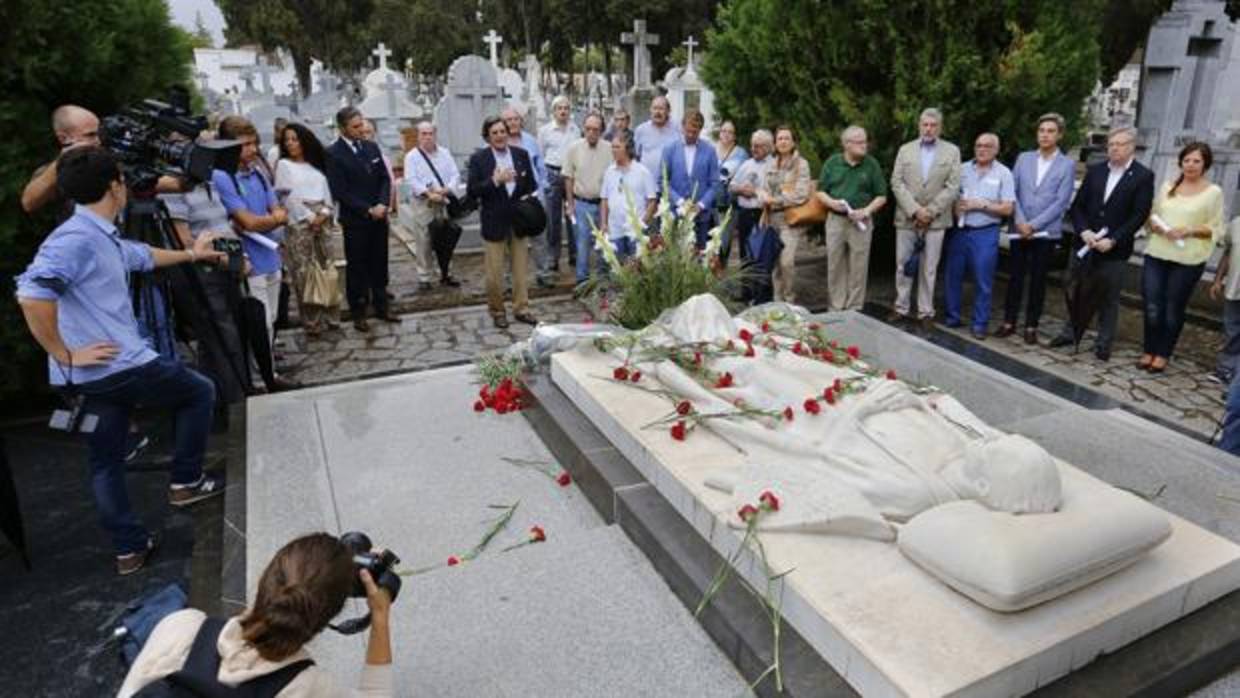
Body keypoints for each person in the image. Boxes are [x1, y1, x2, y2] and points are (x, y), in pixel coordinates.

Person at [15, 146, 226, 575]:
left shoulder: (95, 233)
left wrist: (192, 254)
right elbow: (32, 294)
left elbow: (142, 256)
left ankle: (130, 550)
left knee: (105, 458)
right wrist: (65, 352)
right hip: (117, 366)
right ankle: (185, 482)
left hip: (93, 376)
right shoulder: (74, 240)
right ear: (115, 186)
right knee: (199, 392)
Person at [118, 532, 393, 696]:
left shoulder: (180, 626)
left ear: (265, 578)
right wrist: (379, 617)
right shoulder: (306, 687)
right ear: (329, 615)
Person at [1049, 126, 1155, 361]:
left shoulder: (1142, 176)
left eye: (1120, 144)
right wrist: (1084, 230)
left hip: (1113, 250)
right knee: (1076, 289)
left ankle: (1103, 342)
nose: (1114, 148)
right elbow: (1078, 207)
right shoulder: (1096, 171)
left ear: (1131, 147)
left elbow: (1138, 215)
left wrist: (1114, 240)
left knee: (1108, 297)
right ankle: (1071, 331)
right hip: (1085, 244)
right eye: (1111, 144)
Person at [1139, 142, 1225, 372]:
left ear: (1205, 164)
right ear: (1181, 162)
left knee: (1172, 308)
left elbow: (1216, 228)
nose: (1191, 165)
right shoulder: (1168, 187)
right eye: (1187, 160)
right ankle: (1149, 349)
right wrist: (1154, 226)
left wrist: (1190, 230)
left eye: (1196, 161)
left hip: (1188, 258)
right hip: (1157, 252)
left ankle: (1163, 353)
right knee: (1152, 304)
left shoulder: (1213, 192)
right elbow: (1153, 215)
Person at [214, 117, 291, 368]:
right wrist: (271, 219)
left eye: (253, 143)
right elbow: (247, 222)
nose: (252, 150)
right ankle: (264, 372)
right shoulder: (223, 177)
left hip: (271, 255)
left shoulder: (257, 172)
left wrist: (268, 219)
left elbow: (279, 212)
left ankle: (266, 362)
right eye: (244, 145)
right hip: (249, 259)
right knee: (261, 320)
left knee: (274, 316)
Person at [1000, 112, 1076, 344]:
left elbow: (1061, 202)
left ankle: (1031, 325)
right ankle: (1009, 321)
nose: (1045, 135)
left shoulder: (1067, 165)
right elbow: (1012, 190)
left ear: (1059, 135)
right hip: (1019, 227)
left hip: (1044, 232)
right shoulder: (1024, 158)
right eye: (1041, 131)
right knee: (1014, 278)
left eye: (1050, 131)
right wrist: (1021, 221)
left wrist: (1033, 225)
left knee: (1038, 281)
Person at [889, 108, 962, 332]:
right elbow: (896, 182)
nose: (928, 129)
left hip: (936, 221)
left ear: (940, 127)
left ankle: (926, 311)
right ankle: (901, 306)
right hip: (907, 218)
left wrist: (930, 211)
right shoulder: (905, 149)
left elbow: (953, 186)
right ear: (919, 125)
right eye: (925, 124)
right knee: (903, 264)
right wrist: (914, 210)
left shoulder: (951, 151)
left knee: (929, 268)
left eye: (933, 125)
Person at [326, 107, 396, 333]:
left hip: (379, 216)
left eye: (361, 125)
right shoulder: (334, 154)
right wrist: (367, 209)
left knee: (380, 262)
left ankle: (382, 305)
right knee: (357, 267)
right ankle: (358, 311)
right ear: (343, 128)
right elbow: (341, 191)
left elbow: (385, 179)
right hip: (356, 220)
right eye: (355, 127)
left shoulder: (371, 147)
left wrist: (383, 204)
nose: (360, 130)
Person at [468, 115, 539, 329]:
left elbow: (531, 185)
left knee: (520, 270)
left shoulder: (521, 154)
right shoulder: (479, 159)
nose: (499, 136)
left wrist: (520, 185)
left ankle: (521, 308)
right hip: (494, 221)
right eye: (495, 133)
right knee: (494, 273)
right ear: (488, 137)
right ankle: (497, 310)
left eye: (502, 132)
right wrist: (495, 181)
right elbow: (473, 191)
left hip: (518, 221)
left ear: (508, 133)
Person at [943, 133, 1015, 339]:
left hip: (985, 232)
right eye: (978, 145)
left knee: (983, 280)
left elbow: (1008, 208)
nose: (982, 149)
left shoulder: (1004, 173)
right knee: (952, 276)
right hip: (960, 230)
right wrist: (955, 206)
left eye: (987, 146)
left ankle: (979, 324)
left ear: (996, 150)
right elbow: (950, 195)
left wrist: (982, 204)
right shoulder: (962, 169)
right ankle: (952, 317)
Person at [276, 123, 339, 337]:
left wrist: (324, 213)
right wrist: (310, 216)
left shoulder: (316, 164)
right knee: (304, 272)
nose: (291, 144)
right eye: (287, 140)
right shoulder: (284, 165)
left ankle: (331, 312)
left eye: (295, 139)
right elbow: (287, 197)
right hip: (300, 221)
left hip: (323, 216)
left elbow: (328, 192)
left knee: (327, 267)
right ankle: (312, 320)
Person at [817, 125, 888, 312]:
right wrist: (832, 203)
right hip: (836, 220)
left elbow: (882, 195)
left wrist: (866, 211)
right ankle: (836, 307)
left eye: (865, 141)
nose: (865, 145)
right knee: (835, 265)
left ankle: (854, 309)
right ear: (847, 144)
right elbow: (820, 191)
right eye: (860, 142)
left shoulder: (871, 164)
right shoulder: (832, 163)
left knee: (859, 266)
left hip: (861, 222)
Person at [403, 121, 466, 290]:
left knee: (446, 237)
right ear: (418, 136)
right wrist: (428, 193)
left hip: (444, 200)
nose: (427, 137)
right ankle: (425, 276)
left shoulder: (445, 153)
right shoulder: (412, 156)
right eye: (423, 134)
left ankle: (446, 272)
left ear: (435, 135)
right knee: (424, 239)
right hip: (425, 203)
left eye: (430, 133)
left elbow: (455, 174)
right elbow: (411, 180)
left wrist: (447, 189)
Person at [758, 125, 813, 304]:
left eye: (786, 138)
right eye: (779, 138)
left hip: (790, 220)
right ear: (775, 142)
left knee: (786, 262)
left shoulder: (801, 164)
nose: (782, 141)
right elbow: (764, 189)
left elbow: (801, 194)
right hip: (771, 219)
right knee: (774, 264)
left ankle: (790, 300)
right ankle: (777, 302)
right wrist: (763, 197)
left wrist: (775, 200)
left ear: (793, 142)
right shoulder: (771, 164)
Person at [21, 104, 101, 221]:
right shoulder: (55, 170)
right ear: (64, 139)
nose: (98, 140)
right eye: (90, 135)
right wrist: (63, 161)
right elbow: (28, 203)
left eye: (100, 133)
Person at [562, 112, 614, 286]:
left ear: (602, 131)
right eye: (588, 129)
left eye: (596, 130)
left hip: (603, 204)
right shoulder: (573, 148)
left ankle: (602, 278)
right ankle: (582, 281)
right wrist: (570, 204)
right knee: (582, 244)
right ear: (583, 129)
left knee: (604, 242)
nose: (591, 133)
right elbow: (568, 178)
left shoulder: (609, 149)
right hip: (581, 203)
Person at [662, 110, 720, 250]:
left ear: (700, 130)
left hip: (701, 216)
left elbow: (715, 183)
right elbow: (663, 181)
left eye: (695, 132)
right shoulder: (670, 149)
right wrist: (680, 202)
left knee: (699, 257)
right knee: (676, 258)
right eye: (688, 131)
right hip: (676, 213)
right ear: (682, 127)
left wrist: (701, 205)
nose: (691, 135)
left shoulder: (710, 151)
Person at [537, 96, 581, 275]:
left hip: (571, 175)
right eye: (559, 108)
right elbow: (540, 155)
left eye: (566, 108)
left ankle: (574, 254)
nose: (563, 111)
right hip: (553, 174)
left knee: (572, 216)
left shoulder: (575, 129)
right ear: (554, 111)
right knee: (553, 219)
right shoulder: (545, 131)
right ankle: (553, 257)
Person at [600, 131, 658, 264]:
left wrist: (642, 224)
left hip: (635, 232)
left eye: (617, 147)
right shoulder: (609, 171)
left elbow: (652, 201)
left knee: (637, 270)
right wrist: (603, 223)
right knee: (617, 269)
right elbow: (604, 200)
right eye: (612, 147)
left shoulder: (642, 172)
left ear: (627, 148)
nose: (613, 150)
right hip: (615, 230)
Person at [728, 130, 773, 266]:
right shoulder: (747, 164)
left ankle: (761, 287)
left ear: (767, 147)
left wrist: (754, 192)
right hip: (745, 215)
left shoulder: (774, 165)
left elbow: (774, 193)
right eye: (752, 145)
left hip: (763, 215)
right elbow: (731, 186)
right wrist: (741, 190)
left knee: (762, 256)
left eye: (757, 146)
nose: (753, 149)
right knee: (745, 256)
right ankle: (746, 287)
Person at [714, 120, 748, 267]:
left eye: (730, 132)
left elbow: (745, 176)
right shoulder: (710, 149)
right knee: (709, 244)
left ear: (735, 136)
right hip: (710, 203)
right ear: (719, 133)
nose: (726, 134)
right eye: (724, 131)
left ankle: (720, 275)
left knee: (723, 243)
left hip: (730, 205)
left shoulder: (741, 154)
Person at [1212, 216, 1240, 385]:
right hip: (1233, 288)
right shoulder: (1236, 223)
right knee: (1232, 330)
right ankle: (1226, 370)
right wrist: (1217, 280)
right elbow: (1227, 253)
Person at [633, 95, 681, 183]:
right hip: (647, 184)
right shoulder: (641, 130)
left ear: (668, 111)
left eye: (661, 109)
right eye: (655, 108)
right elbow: (635, 157)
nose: (657, 112)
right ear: (650, 110)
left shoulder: (678, 129)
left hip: (671, 184)